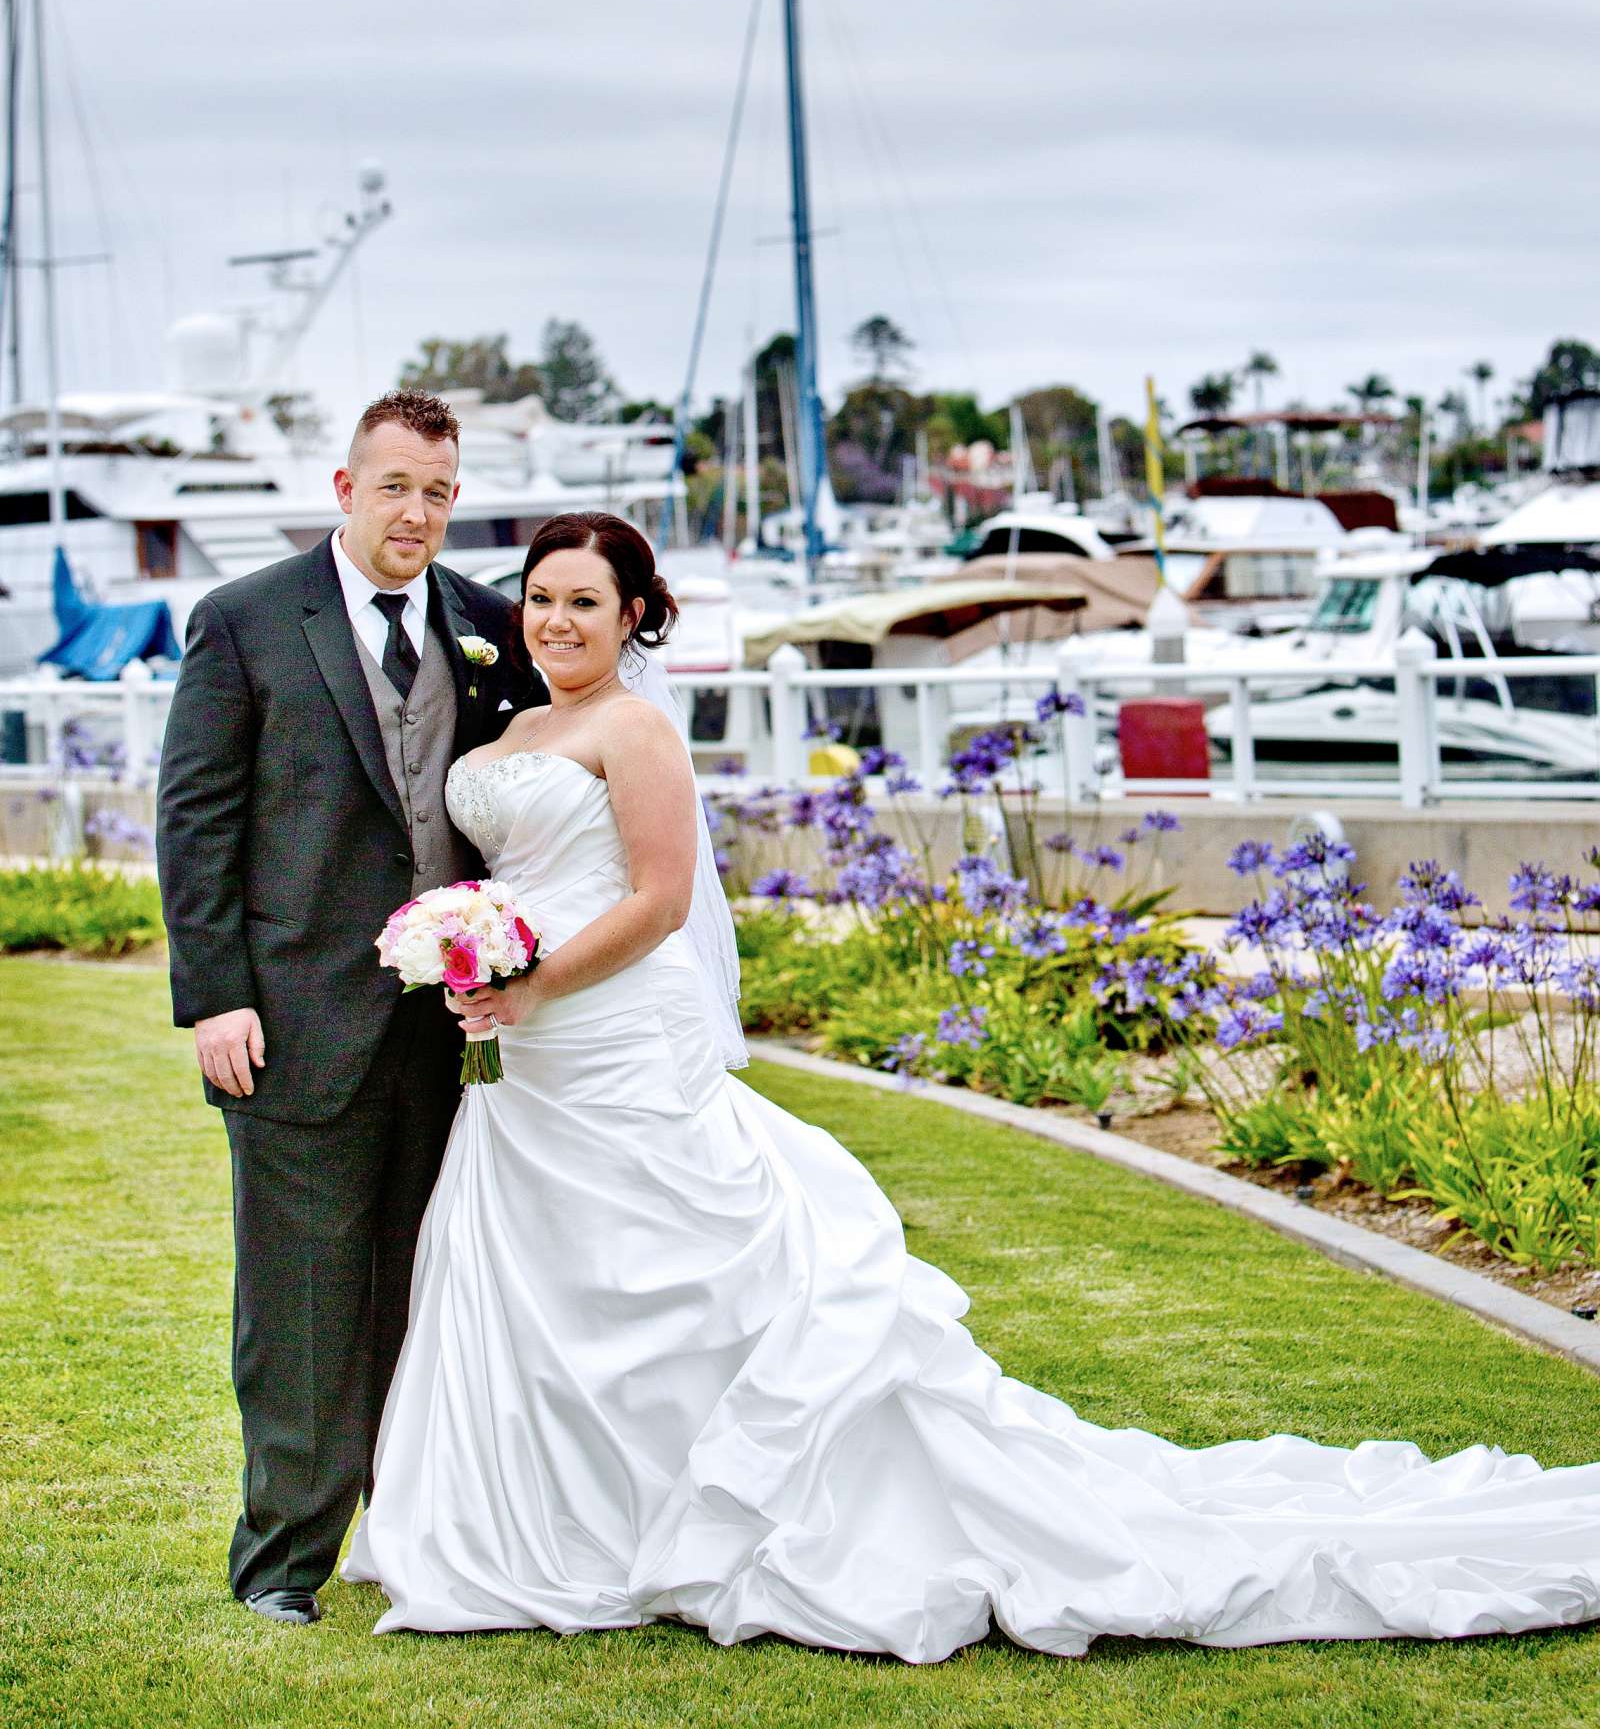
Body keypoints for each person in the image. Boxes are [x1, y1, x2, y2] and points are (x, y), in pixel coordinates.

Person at [348, 509, 1600, 1660]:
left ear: (635, 616)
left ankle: (716, 1518)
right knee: (552, 1277)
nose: (557, 620)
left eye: (585, 600)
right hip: (534, 1053)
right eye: (541, 598)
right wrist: (475, 953)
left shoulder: (637, 727)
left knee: (674, 1269)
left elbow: (664, 901)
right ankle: (568, 1522)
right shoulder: (512, 732)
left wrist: (535, 981)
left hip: (612, 1023)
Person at [158, 389, 540, 1626]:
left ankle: (416, 1535)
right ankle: (281, 1562)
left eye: (439, 491)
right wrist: (215, 1000)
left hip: (452, 1035)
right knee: (302, 1301)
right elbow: (198, 825)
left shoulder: (492, 628)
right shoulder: (244, 622)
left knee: (428, 1289)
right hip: (290, 1020)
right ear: (344, 488)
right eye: (395, 487)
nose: (418, 512)